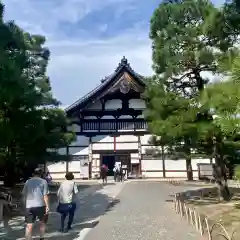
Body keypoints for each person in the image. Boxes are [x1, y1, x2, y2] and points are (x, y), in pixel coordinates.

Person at [22, 168, 50, 240]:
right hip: (40, 205)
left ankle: (28, 238)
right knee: (42, 223)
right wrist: (47, 206)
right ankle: (41, 238)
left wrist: (25, 205)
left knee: (29, 225)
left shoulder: (28, 182)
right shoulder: (44, 181)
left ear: (33, 174)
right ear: (41, 174)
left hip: (29, 206)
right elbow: (45, 195)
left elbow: (24, 195)